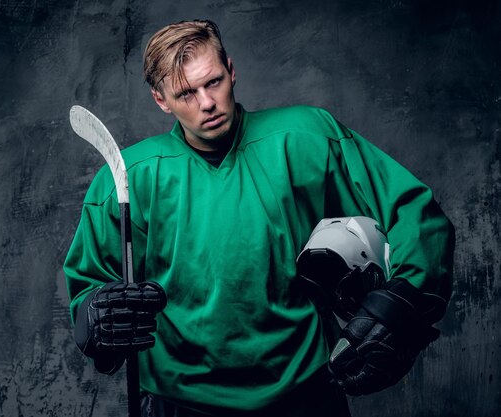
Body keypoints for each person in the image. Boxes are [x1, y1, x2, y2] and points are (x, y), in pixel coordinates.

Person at [64, 19, 455, 417]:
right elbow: (89, 285)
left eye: (213, 82)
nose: (206, 103)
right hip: (177, 403)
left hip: (304, 393)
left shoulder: (307, 138)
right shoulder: (129, 178)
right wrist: (94, 316)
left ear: (231, 71)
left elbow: (414, 211)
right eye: (185, 93)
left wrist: (403, 301)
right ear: (161, 100)